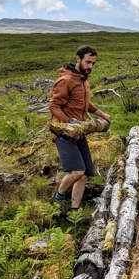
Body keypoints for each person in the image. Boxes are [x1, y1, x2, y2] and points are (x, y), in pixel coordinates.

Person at [49, 45, 111, 216]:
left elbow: (84, 104)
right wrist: (69, 122)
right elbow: (54, 105)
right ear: (78, 59)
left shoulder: (83, 80)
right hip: (64, 134)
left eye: (93, 63)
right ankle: (58, 198)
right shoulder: (66, 80)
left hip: (79, 133)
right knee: (76, 171)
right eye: (88, 62)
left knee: (84, 175)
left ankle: (75, 212)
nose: (90, 66)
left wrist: (102, 114)